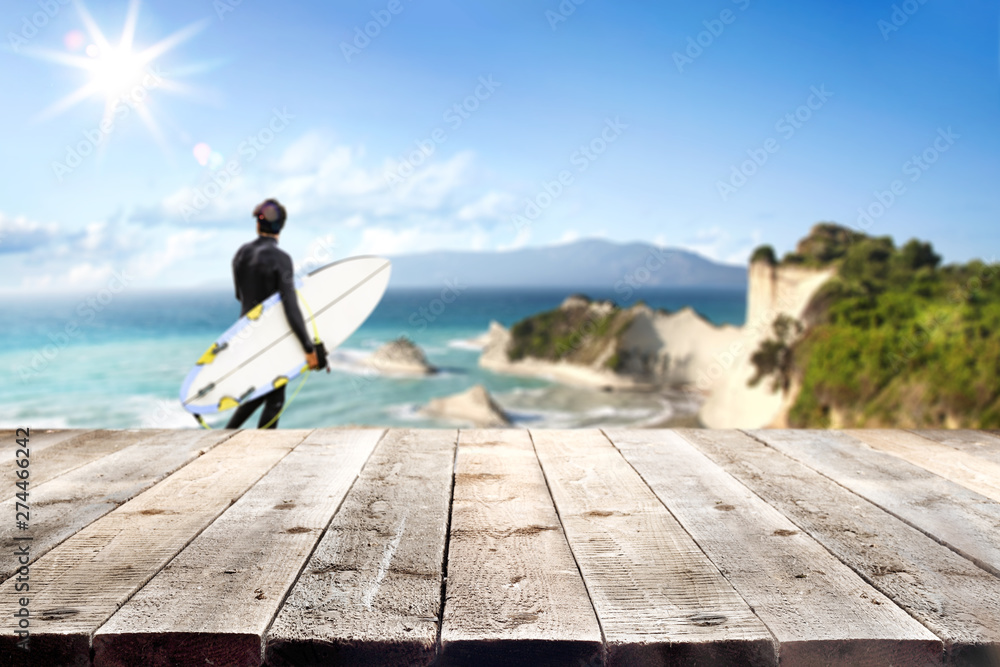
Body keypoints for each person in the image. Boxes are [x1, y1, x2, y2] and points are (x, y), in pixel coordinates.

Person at [226, 199, 320, 428]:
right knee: (275, 396)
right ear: (281, 227)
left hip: (245, 334)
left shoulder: (240, 254)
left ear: (258, 224)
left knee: (264, 389)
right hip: (271, 337)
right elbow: (290, 305)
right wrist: (308, 348)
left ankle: (225, 434)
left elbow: (240, 296)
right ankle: (262, 451)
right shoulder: (282, 259)